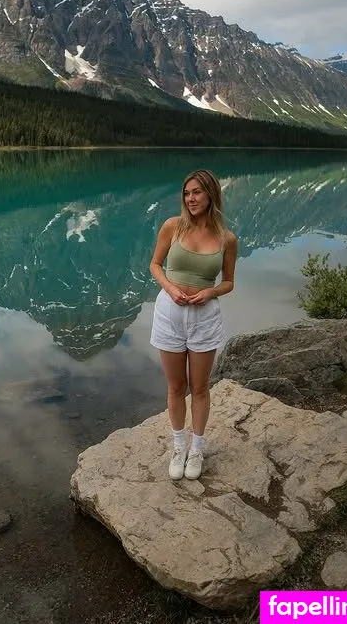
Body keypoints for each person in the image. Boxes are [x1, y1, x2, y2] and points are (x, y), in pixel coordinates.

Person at [149, 169, 237, 480]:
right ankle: (178, 447)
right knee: (176, 387)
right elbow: (155, 264)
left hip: (204, 318)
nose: (190, 198)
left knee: (199, 388)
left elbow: (228, 282)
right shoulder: (172, 226)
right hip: (169, 314)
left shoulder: (227, 239)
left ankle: (196, 449)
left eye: (197, 192)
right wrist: (170, 288)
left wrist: (210, 292)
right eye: (187, 193)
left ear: (211, 194)